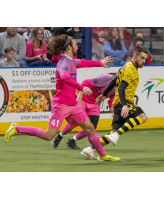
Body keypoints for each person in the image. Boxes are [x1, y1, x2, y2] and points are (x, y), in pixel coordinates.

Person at [5, 34, 120, 162]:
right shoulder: (63, 62)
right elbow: (65, 77)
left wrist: (100, 63)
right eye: (75, 44)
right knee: (48, 135)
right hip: (61, 105)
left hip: (73, 104)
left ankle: (103, 155)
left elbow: (83, 62)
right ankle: (16, 128)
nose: (77, 46)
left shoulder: (70, 61)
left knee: (90, 128)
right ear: (69, 47)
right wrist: (81, 87)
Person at [82, 46, 148, 157]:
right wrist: (125, 105)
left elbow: (114, 81)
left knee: (112, 134)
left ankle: (89, 149)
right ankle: (117, 134)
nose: (143, 61)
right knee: (143, 117)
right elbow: (121, 88)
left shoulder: (126, 66)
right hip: (124, 102)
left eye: (145, 59)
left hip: (117, 103)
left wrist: (103, 94)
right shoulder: (131, 69)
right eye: (141, 58)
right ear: (134, 56)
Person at [51, 74, 115, 154]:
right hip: (84, 100)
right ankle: (59, 137)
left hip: (95, 104)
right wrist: (80, 97)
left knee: (92, 127)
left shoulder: (115, 89)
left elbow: (111, 101)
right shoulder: (104, 79)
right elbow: (85, 82)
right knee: (75, 121)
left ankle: (72, 140)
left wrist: (113, 113)